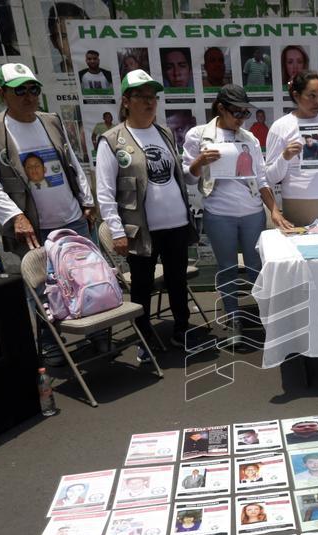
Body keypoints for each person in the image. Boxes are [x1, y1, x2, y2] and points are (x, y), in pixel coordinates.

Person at [0, 63, 95, 365]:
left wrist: (87, 199)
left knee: (89, 279)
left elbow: (73, 162)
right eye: (20, 90)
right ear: (3, 93)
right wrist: (16, 216)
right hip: (33, 228)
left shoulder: (50, 121)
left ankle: (98, 335)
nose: (29, 96)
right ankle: (53, 346)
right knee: (42, 290)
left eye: (33, 89)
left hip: (72, 218)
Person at [95, 69, 196, 361]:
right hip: (141, 229)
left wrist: (197, 167)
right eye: (142, 96)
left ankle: (181, 329)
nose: (150, 102)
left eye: (153, 97)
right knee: (142, 286)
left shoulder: (163, 132)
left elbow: (178, 176)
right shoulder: (112, 140)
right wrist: (116, 231)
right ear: (126, 101)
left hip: (175, 223)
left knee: (177, 281)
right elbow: (104, 191)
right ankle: (143, 338)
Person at [184, 85, 292, 346]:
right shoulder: (199, 135)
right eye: (237, 112)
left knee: (257, 267)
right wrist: (199, 163)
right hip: (219, 213)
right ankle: (233, 318)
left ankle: (264, 318)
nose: (242, 118)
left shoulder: (250, 138)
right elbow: (187, 177)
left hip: (252, 213)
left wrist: (273, 210)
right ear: (220, 108)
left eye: (246, 112)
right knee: (228, 269)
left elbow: (261, 177)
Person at [265, 72, 318, 227]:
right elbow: (270, 176)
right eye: (311, 96)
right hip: (297, 202)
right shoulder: (281, 126)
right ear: (296, 96)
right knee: (302, 249)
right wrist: (285, 156)